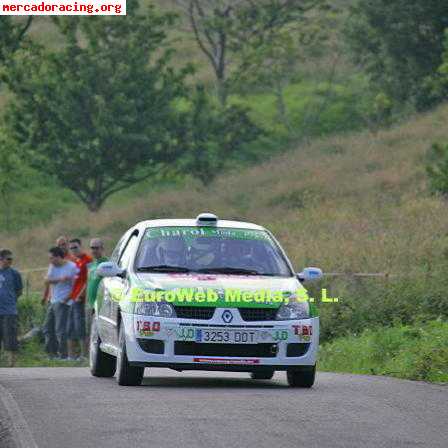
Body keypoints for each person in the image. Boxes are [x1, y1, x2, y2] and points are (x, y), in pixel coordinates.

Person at [42, 247, 79, 360]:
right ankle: (51, 354)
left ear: (58, 257)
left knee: (60, 329)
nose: (50, 261)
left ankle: (63, 355)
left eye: (52, 258)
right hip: (53, 300)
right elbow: (47, 281)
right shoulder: (53, 266)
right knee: (47, 327)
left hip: (64, 301)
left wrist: (67, 299)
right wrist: (60, 279)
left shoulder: (72, 267)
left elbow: (77, 286)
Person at [67, 239, 92, 360]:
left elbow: (89, 280)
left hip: (81, 299)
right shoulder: (75, 261)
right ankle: (71, 356)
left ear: (81, 247)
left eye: (75, 247)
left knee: (81, 327)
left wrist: (81, 295)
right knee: (71, 326)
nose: (73, 250)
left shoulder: (88, 260)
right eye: (71, 248)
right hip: (72, 298)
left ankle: (85, 355)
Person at [0, 249, 23, 367]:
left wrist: (11, 300)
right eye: (8, 259)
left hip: (9, 311)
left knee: (11, 338)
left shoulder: (15, 274)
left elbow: (19, 291)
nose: (10, 261)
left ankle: (12, 364)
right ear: (1, 259)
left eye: (11, 259)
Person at [42, 236, 76, 305]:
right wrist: (46, 296)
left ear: (68, 245)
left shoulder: (74, 260)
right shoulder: (54, 261)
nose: (61, 247)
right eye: (59, 245)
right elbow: (48, 280)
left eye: (63, 244)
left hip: (66, 300)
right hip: (53, 298)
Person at [86, 238, 108, 339]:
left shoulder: (106, 264)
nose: (93, 250)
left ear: (102, 248)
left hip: (101, 305)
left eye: (96, 248)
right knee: (92, 334)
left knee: (100, 334)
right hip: (91, 304)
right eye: (92, 248)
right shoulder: (92, 265)